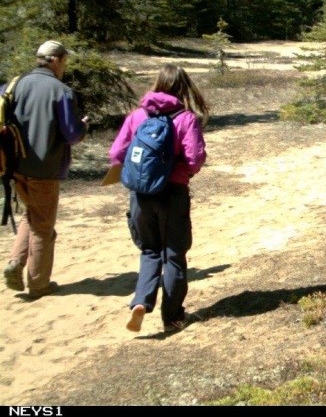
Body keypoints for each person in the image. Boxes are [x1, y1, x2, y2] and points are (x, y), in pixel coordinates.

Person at [109, 64, 208, 333]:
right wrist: (182, 172)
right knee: (174, 255)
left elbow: (116, 153)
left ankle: (141, 302)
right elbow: (195, 158)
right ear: (183, 88)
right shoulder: (185, 118)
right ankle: (172, 317)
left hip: (140, 196)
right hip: (172, 193)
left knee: (150, 251)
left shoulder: (137, 115)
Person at [2, 40, 89, 298]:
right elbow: (72, 135)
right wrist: (83, 125)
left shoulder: (12, 85)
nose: (65, 66)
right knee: (43, 226)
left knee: (34, 214)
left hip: (15, 166)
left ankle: (15, 262)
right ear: (57, 60)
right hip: (45, 169)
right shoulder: (61, 91)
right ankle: (39, 284)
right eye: (65, 61)